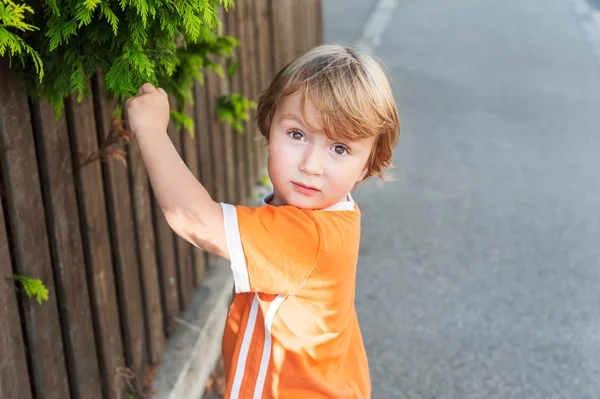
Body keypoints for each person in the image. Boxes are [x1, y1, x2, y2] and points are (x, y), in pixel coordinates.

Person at [126, 43, 400, 398]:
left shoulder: (308, 236)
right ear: (270, 126)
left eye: (339, 148)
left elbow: (194, 219)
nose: (311, 165)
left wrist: (151, 131)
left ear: (367, 163)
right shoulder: (335, 213)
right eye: (298, 135)